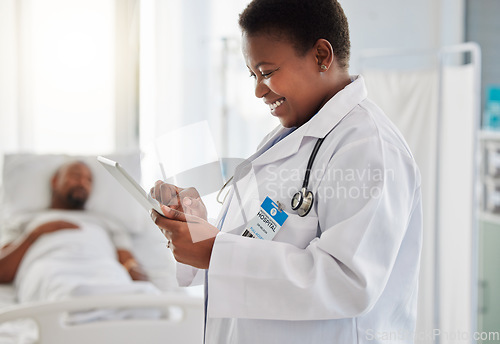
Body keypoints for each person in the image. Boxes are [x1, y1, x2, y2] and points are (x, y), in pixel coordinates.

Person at [150, 0, 422, 343]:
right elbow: (262, 236)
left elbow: (349, 282)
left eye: (266, 72)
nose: (258, 90)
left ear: (321, 56)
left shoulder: (369, 146)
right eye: (253, 75)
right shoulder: (285, 137)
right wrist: (202, 228)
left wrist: (217, 252)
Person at [0, 161, 149, 302]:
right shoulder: (26, 222)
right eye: (76, 175)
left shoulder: (108, 223)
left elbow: (129, 263)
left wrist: (139, 279)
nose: (82, 183)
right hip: (49, 267)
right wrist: (34, 235)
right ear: (54, 181)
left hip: (102, 267)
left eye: (89, 180)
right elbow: (2, 272)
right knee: (64, 293)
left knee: (122, 288)